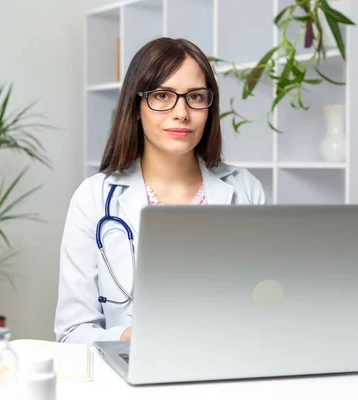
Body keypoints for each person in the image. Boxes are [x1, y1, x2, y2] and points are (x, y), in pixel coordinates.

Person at [54, 37, 266, 344]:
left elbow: (265, 302)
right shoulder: (94, 198)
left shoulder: (245, 190)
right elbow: (72, 333)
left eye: (195, 97)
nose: (181, 112)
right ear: (136, 107)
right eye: (163, 96)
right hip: (132, 375)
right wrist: (137, 338)